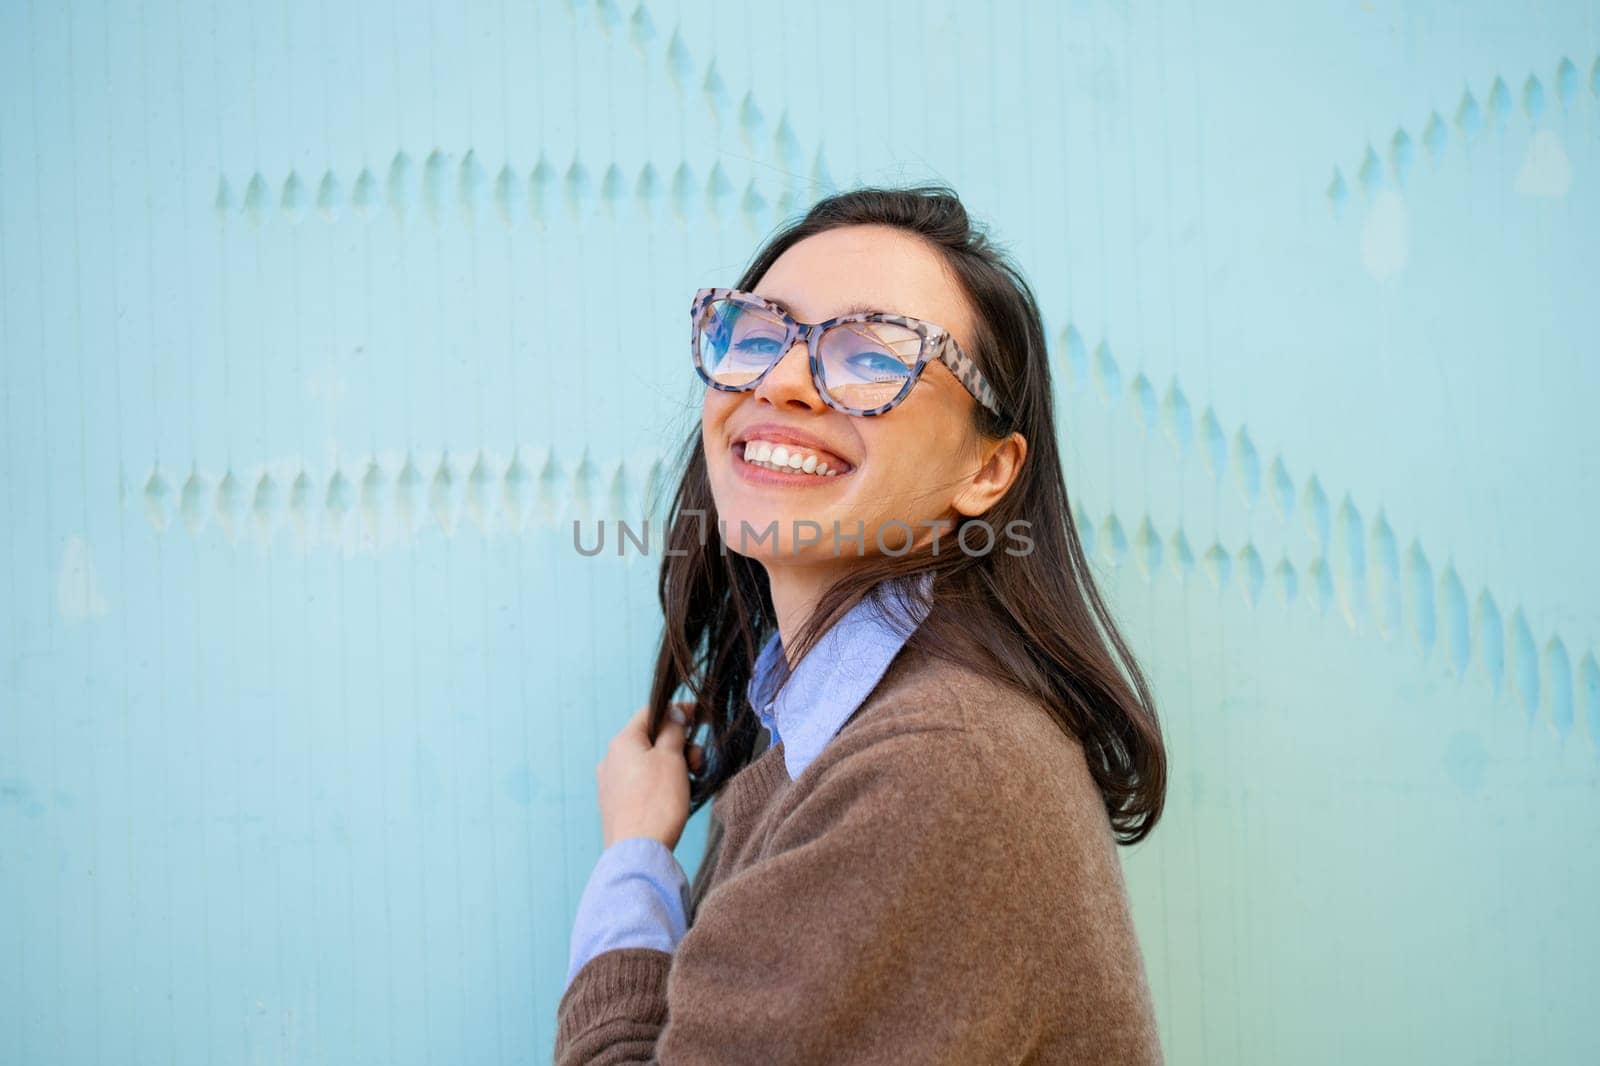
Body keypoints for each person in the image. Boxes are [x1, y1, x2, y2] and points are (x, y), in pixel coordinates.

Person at [556, 184, 1167, 1064]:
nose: (785, 380)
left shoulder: (934, 770)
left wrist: (633, 860)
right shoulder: (834, 734)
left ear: (988, 471)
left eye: (875, 358)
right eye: (759, 333)